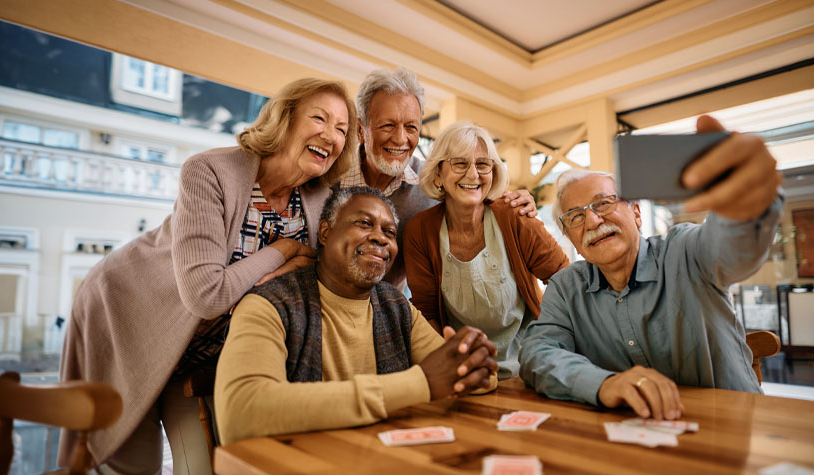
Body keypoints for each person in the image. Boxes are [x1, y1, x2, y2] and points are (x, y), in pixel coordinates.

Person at [58, 78, 358, 473]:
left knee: (211, 465)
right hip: (131, 315)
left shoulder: (319, 201)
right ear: (285, 120)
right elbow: (206, 294)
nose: (330, 135)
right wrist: (282, 251)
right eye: (319, 118)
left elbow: (313, 281)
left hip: (208, 354)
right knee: (128, 463)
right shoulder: (209, 171)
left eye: (341, 128)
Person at [519, 115, 783, 421]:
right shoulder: (566, 288)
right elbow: (537, 353)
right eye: (575, 217)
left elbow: (733, 250)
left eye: (603, 203)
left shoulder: (685, 251)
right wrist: (603, 384)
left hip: (726, 430)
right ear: (572, 241)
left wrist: (746, 206)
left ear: (636, 213)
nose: (592, 221)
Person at [214, 186, 497, 443]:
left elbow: (459, 376)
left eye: (389, 232)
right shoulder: (268, 305)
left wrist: (475, 361)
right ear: (325, 232)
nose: (380, 238)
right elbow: (242, 412)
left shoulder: (396, 307)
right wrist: (420, 384)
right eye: (364, 223)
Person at [338, 67, 537, 287]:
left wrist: (515, 202)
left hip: (389, 308)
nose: (400, 139)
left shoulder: (434, 179)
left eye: (411, 127)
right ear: (360, 130)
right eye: (388, 125)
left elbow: (475, 195)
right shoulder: (329, 177)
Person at [404, 121, 569, 379]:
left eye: (482, 164)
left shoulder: (514, 215)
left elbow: (564, 279)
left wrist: (546, 339)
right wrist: (452, 365)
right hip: (465, 370)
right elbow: (426, 313)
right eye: (460, 163)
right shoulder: (420, 230)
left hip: (531, 366)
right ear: (438, 174)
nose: (473, 175)